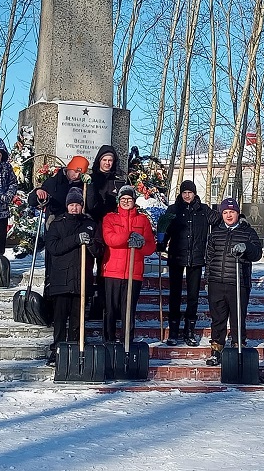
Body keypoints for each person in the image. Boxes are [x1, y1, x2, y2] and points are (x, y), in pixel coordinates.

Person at [160, 179, 220, 346]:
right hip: (176, 256)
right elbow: (164, 229)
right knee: (175, 295)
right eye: (184, 192)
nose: (187, 195)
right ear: (181, 194)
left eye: (190, 192)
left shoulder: (203, 209)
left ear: (194, 194)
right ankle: (173, 331)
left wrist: (213, 240)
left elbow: (218, 221)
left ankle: (189, 331)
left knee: (193, 296)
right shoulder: (173, 209)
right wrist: (161, 243)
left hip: (196, 257)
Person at [42, 187, 98, 366]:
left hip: (81, 280)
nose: (74, 208)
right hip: (61, 280)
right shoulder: (58, 224)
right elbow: (53, 247)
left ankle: (75, 349)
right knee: (60, 320)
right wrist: (76, 239)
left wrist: (90, 244)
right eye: (71, 205)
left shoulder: (90, 224)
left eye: (77, 205)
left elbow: (99, 251)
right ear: (67, 206)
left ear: (82, 206)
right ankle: (57, 351)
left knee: (77, 320)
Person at [204, 197, 263, 366]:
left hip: (238, 282)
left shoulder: (248, 232)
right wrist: (207, 279)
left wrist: (247, 247)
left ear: (237, 213)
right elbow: (209, 257)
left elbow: (257, 253)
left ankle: (238, 346)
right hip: (216, 282)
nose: (229, 215)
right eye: (225, 212)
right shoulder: (215, 232)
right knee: (218, 319)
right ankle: (217, 349)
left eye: (232, 212)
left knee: (238, 318)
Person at [101, 184, 156, 343]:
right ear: (118, 201)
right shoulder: (110, 218)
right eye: (123, 199)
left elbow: (150, 246)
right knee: (110, 310)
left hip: (134, 272)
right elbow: (110, 239)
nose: (126, 201)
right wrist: (129, 235)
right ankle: (109, 341)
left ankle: (126, 342)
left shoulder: (143, 220)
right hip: (112, 271)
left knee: (129, 311)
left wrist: (141, 244)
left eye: (129, 199)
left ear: (134, 201)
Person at [85, 145, 126, 319]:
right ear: (99, 161)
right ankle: (86, 302)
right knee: (87, 268)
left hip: (110, 230)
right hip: (93, 226)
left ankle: (103, 305)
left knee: (105, 269)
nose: (107, 163)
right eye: (104, 160)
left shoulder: (119, 180)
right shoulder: (91, 178)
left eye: (110, 160)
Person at [27, 156, 89, 226]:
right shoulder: (53, 181)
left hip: (76, 225)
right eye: (75, 171)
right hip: (55, 223)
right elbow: (32, 202)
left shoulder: (83, 185)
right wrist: (37, 192)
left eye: (80, 173)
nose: (77, 175)